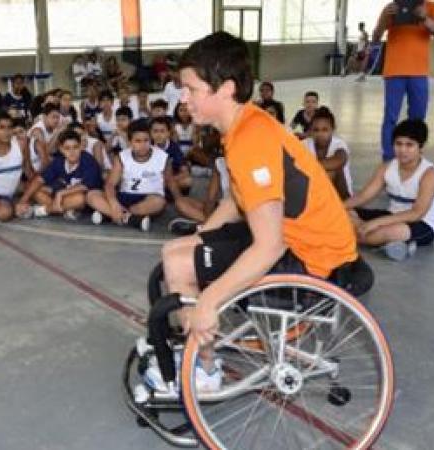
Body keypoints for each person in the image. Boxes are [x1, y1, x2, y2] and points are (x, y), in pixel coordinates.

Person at [152, 32, 368, 392]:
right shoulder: (243, 125)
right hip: (305, 242)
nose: (183, 99)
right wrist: (200, 237)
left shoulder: (251, 139)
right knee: (176, 251)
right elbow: (235, 202)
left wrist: (209, 300)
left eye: (191, 89)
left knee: (178, 264)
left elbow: (270, 246)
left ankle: (204, 371)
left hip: (315, 260)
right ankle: (196, 350)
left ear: (225, 89)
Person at [345, 119, 434, 261]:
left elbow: (417, 213)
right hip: (393, 214)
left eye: (409, 145)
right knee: (346, 212)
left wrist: (376, 223)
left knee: (390, 231)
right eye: (398, 144)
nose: (402, 150)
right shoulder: (386, 167)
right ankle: (369, 236)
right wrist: (335, 208)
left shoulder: (430, 174)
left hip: (423, 224)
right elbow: (363, 196)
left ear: (421, 147)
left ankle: (359, 235)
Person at [373, 0, 434, 161]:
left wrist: (425, 18)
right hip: (394, 70)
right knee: (390, 117)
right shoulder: (391, 8)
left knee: (418, 117)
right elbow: (375, 37)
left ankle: (413, 153)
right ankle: (389, 157)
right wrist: (384, 19)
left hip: (419, 71)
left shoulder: (431, 6)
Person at [87, 118, 169, 232]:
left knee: (159, 202)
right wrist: (113, 203)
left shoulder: (162, 156)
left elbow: (168, 185)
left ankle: (111, 215)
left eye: (146, 140)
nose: (143, 144)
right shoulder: (122, 157)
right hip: (124, 196)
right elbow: (110, 184)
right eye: (138, 141)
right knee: (92, 195)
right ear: (130, 142)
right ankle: (130, 218)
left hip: (148, 198)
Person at [15, 129, 103, 220]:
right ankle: (64, 210)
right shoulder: (59, 161)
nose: (72, 152)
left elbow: (85, 187)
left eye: (75, 147)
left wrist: (60, 194)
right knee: (35, 189)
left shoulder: (88, 161)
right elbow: (39, 179)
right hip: (63, 196)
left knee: (80, 198)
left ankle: (41, 211)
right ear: (61, 149)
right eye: (67, 148)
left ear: (81, 147)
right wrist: (23, 200)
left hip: (82, 199)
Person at [302, 107, 353, 200]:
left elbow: (338, 161)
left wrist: (306, 167)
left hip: (340, 194)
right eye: (316, 130)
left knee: (332, 171)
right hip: (315, 192)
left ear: (332, 129)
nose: (320, 134)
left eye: (325, 130)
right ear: (310, 131)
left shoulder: (339, 144)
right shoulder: (305, 144)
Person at [150, 116, 191, 191]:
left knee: (187, 181)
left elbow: (184, 171)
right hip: (152, 179)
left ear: (168, 133)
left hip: (169, 179)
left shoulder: (174, 147)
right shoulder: (147, 147)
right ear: (150, 133)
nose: (158, 135)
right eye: (155, 131)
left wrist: (166, 181)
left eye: (162, 131)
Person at [26, 103, 63, 176]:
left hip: (48, 161)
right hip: (37, 167)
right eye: (53, 117)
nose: (56, 120)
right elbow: (46, 152)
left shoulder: (53, 128)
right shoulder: (38, 131)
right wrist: (57, 132)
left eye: (58, 117)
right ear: (45, 117)